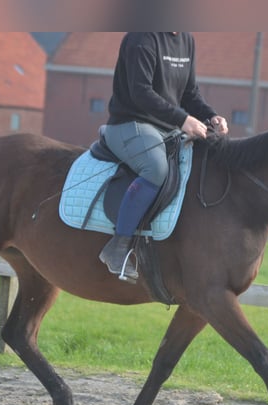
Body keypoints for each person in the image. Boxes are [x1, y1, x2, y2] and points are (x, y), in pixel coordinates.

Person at [99, 32, 229, 283]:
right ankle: (117, 247)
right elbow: (141, 93)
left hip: (167, 128)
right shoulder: (142, 38)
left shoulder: (186, 40)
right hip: (130, 124)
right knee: (156, 169)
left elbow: (190, 93)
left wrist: (211, 116)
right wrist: (183, 120)